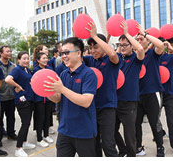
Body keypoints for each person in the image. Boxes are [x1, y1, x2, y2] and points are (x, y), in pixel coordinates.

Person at [43, 37, 98, 157]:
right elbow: (58, 98)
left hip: (84, 132)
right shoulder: (64, 74)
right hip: (65, 130)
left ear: (78, 53)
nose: (63, 56)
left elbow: (86, 101)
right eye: (62, 53)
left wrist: (62, 89)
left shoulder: (89, 74)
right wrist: (45, 91)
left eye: (67, 52)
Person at [83, 23, 120, 156]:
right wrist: (76, 35)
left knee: (108, 144)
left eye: (96, 47)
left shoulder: (112, 60)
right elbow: (76, 55)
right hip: (92, 107)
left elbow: (112, 53)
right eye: (90, 48)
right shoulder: (90, 60)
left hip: (107, 108)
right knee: (94, 143)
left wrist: (95, 36)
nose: (92, 50)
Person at [112, 22, 145, 157]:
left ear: (132, 45)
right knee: (111, 130)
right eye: (120, 45)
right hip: (115, 101)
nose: (122, 47)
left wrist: (127, 33)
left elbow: (141, 49)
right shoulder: (117, 59)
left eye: (125, 45)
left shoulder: (136, 60)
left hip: (129, 102)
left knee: (129, 135)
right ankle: (123, 150)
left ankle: (131, 155)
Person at [134, 25, 166, 157]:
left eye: (141, 39)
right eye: (137, 39)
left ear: (148, 41)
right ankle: (139, 147)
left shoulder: (152, 54)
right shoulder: (134, 56)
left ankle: (160, 146)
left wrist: (145, 34)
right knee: (136, 124)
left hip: (152, 93)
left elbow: (160, 45)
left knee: (154, 122)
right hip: (137, 95)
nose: (139, 40)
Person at [5, 51, 36, 157]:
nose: (26, 60)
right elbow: (8, 79)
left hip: (29, 99)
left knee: (27, 123)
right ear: (18, 60)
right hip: (22, 101)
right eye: (24, 58)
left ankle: (24, 142)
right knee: (25, 124)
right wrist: (17, 86)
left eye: (28, 58)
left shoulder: (27, 70)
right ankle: (18, 148)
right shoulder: (17, 70)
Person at [32, 52, 54, 148]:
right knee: (40, 118)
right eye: (43, 58)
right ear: (38, 60)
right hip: (39, 98)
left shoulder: (49, 69)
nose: (46, 60)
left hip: (48, 97)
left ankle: (46, 135)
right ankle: (39, 139)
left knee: (47, 117)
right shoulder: (35, 70)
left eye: (46, 58)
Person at [0, 45, 17, 140]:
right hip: (0, 97)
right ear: (1, 53)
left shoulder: (13, 66)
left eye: (10, 51)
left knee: (11, 117)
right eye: (7, 51)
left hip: (11, 96)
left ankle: (11, 133)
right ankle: (0, 135)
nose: (10, 53)